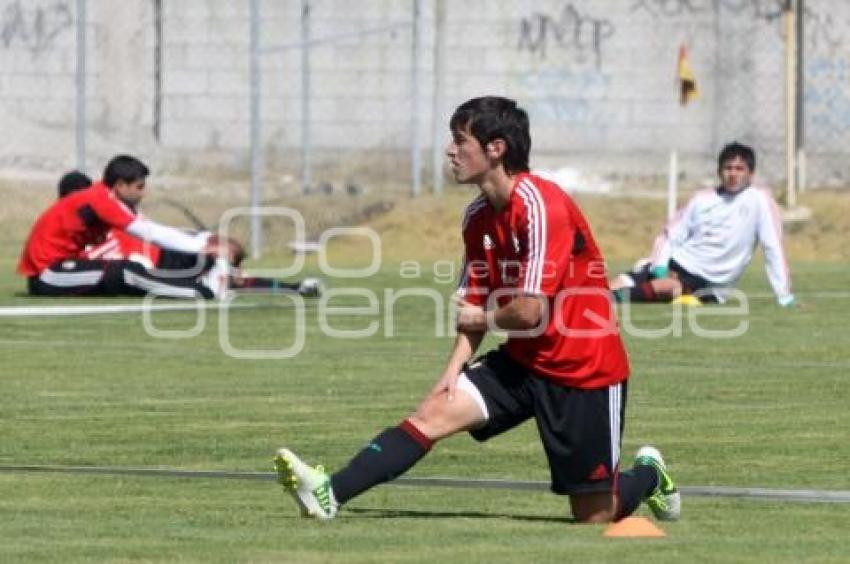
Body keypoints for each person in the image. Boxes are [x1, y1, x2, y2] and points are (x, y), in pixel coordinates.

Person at [273, 96, 680, 523]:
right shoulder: (476, 218)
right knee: (433, 413)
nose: (451, 150)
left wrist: (482, 319)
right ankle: (327, 493)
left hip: (584, 370)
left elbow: (528, 312)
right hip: (523, 362)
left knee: (594, 515)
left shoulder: (542, 206)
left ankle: (649, 475)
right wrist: (452, 370)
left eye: (459, 140)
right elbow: (473, 303)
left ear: (495, 148)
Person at [56, 170, 322, 298]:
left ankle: (291, 287)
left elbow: (146, 230)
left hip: (168, 257)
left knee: (228, 250)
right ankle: (289, 287)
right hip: (148, 272)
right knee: (227, 276)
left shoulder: (110, 215)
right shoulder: (68, 237)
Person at [17, 155, 232, 299]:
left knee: (125, 269)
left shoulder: (106, 197)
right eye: (139, 187)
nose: (143, 193)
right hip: (48, 274)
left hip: (64, 267)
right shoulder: (102, 201)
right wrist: (199, 245)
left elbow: (149, 229)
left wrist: (200, 248)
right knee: (125, 273)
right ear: (120, 185)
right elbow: (149, 233)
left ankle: (207, 272)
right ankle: (205, 291)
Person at [609, 142, 795, 306]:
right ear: (719, 171)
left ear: (750, 173)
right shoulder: (701, 200)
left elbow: (773, 247)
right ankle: (599, 297)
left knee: (667, 287)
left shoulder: (760, 201)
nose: (733, 174)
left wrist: (784, 295)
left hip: (710, 285)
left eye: (739, 169)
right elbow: (668, 236)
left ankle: (608, 299)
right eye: (728, 168)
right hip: (677, 264)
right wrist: (660, 268)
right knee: (617, 282)